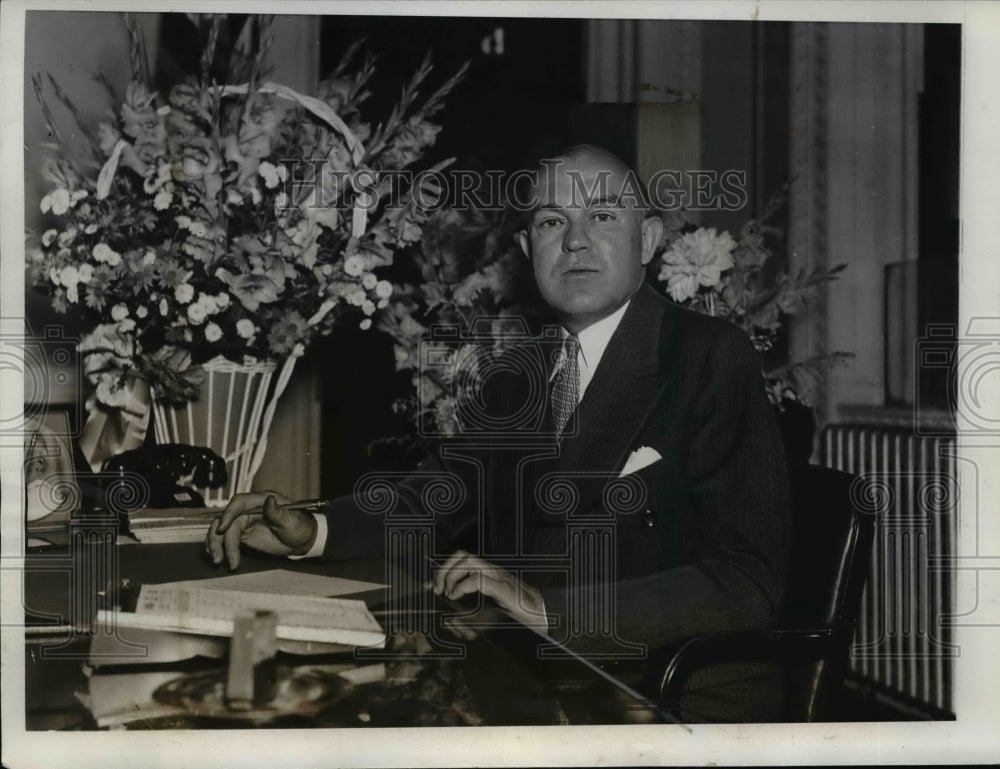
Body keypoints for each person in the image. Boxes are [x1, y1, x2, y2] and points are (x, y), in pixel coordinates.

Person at [205, 144, 791, 721]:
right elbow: (437, 493)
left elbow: (746, 579)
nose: (576, 240)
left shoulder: (709, 356)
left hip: (660, 701)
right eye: (552, 221)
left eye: (604, 216)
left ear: (650, 240)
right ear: (527, 247)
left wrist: (545, 609)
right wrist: (315, 528)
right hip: (531, 678)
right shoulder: (522, 372)